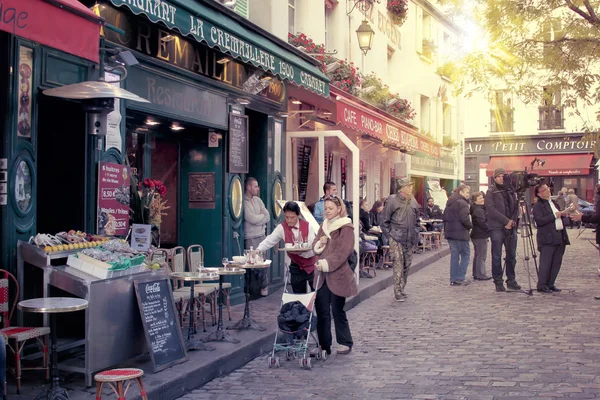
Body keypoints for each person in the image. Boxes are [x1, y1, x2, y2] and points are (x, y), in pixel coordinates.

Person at [312, 195, 357, 355]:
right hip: (321, 276)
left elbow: (344, 251)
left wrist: (326, 263)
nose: (328, 212)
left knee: (337, 309)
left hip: (338, 275)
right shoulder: (323, 225)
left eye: (330, 209)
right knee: (321, 310)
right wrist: (319, 244)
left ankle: (345, 341)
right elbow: (314, 244)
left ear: (339, 209)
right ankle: (324, 345)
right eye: (325, 209)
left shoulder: (346, 227)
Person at [256, 201, 316, 294]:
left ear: (298, 215)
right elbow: (270, 240)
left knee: (318, 298)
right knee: (298, 298)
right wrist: (258, 250)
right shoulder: (281, 228)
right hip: (296, 267)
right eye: (287, 217)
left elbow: (313, 247)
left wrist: (301, 252)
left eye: (292, 217)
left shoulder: (308, 226)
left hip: (312, 266)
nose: (289, 220)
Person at [380, 178, 419, 302]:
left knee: (407, 264)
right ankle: (397, 291)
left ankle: (402, 288)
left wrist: (416, 231)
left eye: (411, 186)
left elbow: (417, 218)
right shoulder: (392, 200)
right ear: (402, 188)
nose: (411, 188)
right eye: (408, 186)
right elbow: (384, 221)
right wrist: (391, 235)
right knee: (398, 264)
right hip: (396, 237)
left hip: (409, 238)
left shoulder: (413, 200)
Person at [485, 167, 522, 292]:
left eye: (503, 176)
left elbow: (516, 207)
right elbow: (490, 210)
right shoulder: (491, 191)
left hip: (511, 226)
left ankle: (511, 280)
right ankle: (498, 281)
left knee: (511, 255)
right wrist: (506, 221)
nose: (501, 178)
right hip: (496, 227)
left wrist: (512, 220)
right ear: (494, 178)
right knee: (497, 255)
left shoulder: (510, 190)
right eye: (499, 176)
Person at [533, 184, 570, 293]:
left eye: (548, 188)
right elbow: (539, 221)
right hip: (547, 238)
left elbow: (558, 217)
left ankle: (550, 283)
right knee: (546, 262)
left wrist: (563, 214)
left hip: (559, 235)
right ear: (539, 194)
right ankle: (542, 284)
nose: (548, 191)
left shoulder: (553, 202)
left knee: (556, 262)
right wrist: (555, 215)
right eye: (544, 190)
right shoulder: (538, 206)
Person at [243, 177, 270, 296]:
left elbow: (268, 216)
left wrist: (258, 218)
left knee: (263, 263)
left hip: (261, 236)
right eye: (255, 186)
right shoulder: (243, 201)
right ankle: (253, 290)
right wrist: (260, 218)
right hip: (251, 237)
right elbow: (251, 218)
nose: (258, 189)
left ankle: (263, 287)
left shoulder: (258, 200)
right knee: (252, 264)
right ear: (248, 187)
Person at [443, 184, 473, 286]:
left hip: (450, 233)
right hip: (460, 233)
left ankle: (453, 278)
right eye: (467, 192)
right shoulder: (462, 203)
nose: (469, 195)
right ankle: (460, 277)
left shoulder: (450, 202)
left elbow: (444, 217)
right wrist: (471, 226)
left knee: (454, 256)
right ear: (461, 192)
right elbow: (465, 219)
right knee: (465, 255)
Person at [470, 191, 492, 280]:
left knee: (478, 255)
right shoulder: (478, 210)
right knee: (481, 255)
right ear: (475, 201)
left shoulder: (477, 208)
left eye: (482, 197)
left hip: (477, 234)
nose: (482, 199)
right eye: (480, 198)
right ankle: (481, 274)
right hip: (480, 235)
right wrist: (490, 230)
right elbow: (482, 223)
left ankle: (476, 273)